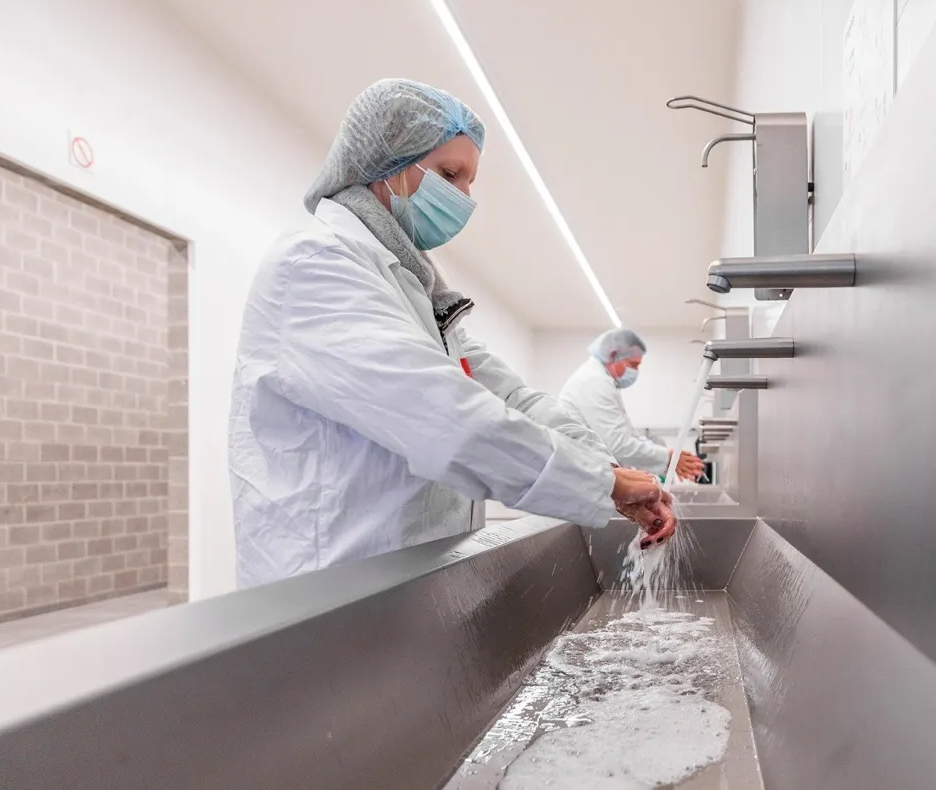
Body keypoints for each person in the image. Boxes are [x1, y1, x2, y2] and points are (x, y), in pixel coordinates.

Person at [228, 79, 676, 588]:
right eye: (449, 174)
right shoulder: (318, 264)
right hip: (327, 586)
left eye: (469, 182)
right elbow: (441, 414)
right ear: (386, 165)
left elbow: (508, 396)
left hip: (398, 583)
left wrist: (610, 470)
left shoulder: (415, 290)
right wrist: (604, 484)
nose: (463, 197)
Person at [559, 329, 705, 481]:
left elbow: (628, 435)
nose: (635, 371)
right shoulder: (594, 381)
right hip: (581, 475)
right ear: (613, 355)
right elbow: (618, 445)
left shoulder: (601, 380)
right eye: (633, 365)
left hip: (589, 473)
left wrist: (668, 456)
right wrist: (667, 458)